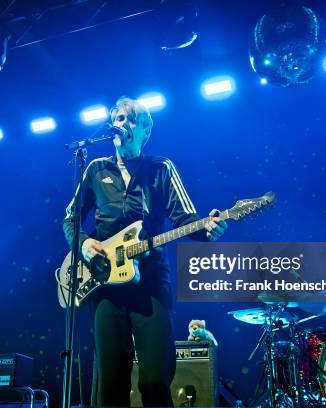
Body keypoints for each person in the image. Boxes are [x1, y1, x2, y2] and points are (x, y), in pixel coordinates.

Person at [62, 97, 227, 406]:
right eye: (118, 119)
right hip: (105, 286)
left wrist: (208, 229)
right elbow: (71, 218)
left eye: (128, 119)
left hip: (150, 280)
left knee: (154, 379)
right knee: (111, 382)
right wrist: (84, 243)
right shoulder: (96, 169)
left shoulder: (161, 168)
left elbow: (185, 218)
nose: (121, 124)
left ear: (145, 132)